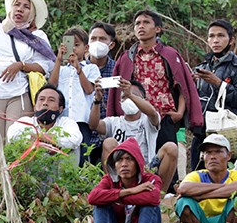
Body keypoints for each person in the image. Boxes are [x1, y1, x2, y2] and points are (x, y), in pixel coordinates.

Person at [107, 10, 203, 151]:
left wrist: (179, 113)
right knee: (135, 162)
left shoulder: (170, 54)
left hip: (165, 118)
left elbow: (182, 86)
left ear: (157, 29)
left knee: (167, 160)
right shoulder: (126, 58)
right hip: (137, 121)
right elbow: (117, 91)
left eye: (146, 22)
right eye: (137, 23)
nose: (141, 26)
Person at [91, 79, 178, 193]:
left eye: (134, 95)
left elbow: (152, 112)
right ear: (120, 102)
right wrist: (97, 100)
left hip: (147, 168)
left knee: (171, 147)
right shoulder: (114, 122)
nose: (128, 99)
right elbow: (94, 125)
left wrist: (130, 95)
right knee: (108, 142)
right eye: (124, 96)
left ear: (143, 100)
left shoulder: (148, 120)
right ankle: (116, 190)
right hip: (121, 168)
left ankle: (158, 195)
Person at [191, 19, 237, 170]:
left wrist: (218, 83)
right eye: (211, 36)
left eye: (220, 36)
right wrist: (190, 85)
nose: (215, 40)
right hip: (203, 132)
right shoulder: (202, 67)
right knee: (197, 176)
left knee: (227, 177)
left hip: (228, 131)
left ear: (231, 40)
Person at [0, 0, 56, 140]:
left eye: (26, 6)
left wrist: (21, 65)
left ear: (32, 14)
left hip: (19, 94)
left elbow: (45, 66)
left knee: (16, 140)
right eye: (17, 4)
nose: (20, 9)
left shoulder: (37, 36)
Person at [87, 137, 162, 223]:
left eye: (129, 159)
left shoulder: (150, 179)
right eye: (119, 160)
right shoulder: (109, 180)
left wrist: (115, 198)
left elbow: (154, 197)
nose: (124, 164)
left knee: (150, 206)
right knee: (100, 205)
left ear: (137, 163)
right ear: (114, 164)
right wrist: (130, 191)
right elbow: (92, 197)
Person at [176, 134, 237, 223]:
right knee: (183, 202)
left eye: (218, 152)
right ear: (203, 156)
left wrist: (201, 195)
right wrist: (229, 189)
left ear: (228, 156)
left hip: (226, 220)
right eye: (208, 152)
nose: (212, 157)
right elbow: (183, 189)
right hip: (201, 222)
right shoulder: (196, 175)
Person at [49, 27, 100, 166]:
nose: (73, 49)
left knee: (83, 155)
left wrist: (78, 69)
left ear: (86, 48)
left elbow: (89, 90)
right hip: (62, 119)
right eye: (70, 45)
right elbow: (51, 87)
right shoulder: (61, 69)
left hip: (81, 119)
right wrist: (59, 60)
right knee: (62, 154)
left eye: (77, 45)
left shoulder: (91, 68)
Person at [7, 85, 82, 163]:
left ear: (60, 109)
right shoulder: (25, 121)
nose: (45, 103)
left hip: (59, 171)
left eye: (51, 100)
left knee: (74, 148)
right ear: (34, 107)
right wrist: (51, 144)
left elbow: (75, 139)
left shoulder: (66, 122)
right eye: (41, 99)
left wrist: (37, 139)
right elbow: (12, 135)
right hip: (30, 171)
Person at [87, 22, 117, 165]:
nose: (97, 43)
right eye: (93, 39)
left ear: (111, 45)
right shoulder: (77, 69)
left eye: (102, 39)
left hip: (110, 135)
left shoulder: (119, 70)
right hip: (83, 135)